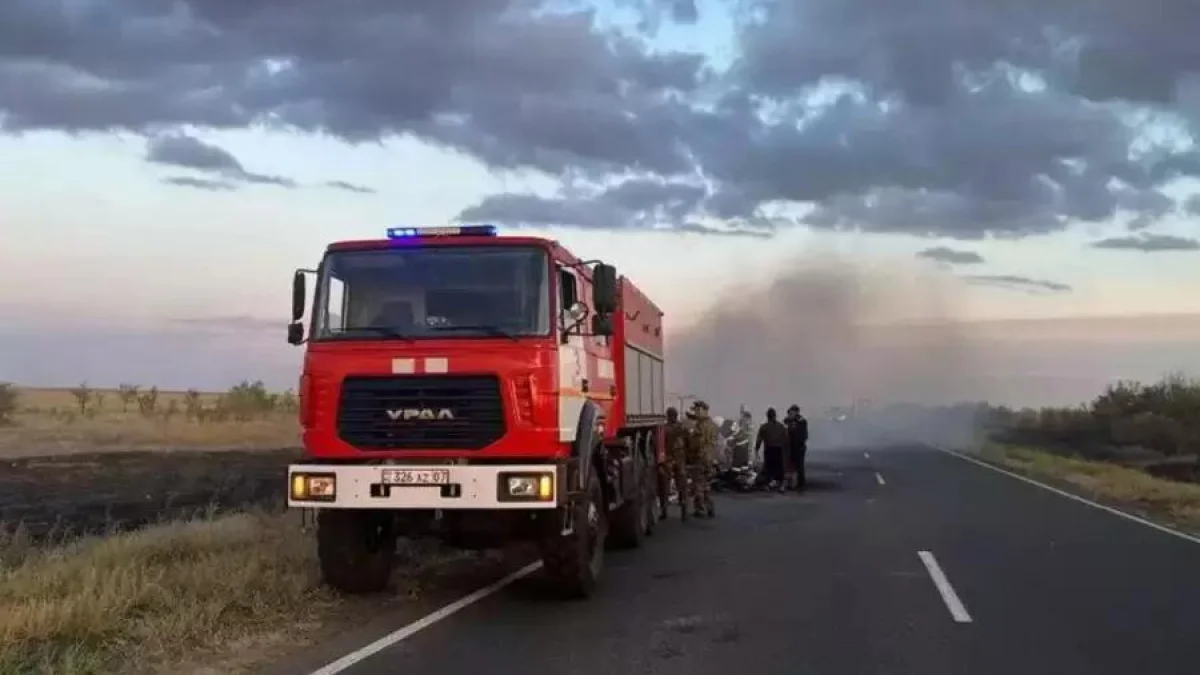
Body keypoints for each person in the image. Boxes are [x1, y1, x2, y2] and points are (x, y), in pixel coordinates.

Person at [687, 400, 719, 518]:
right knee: (706, 484)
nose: (696, 411)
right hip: (710, 458)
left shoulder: (700, 426)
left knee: (698, 484)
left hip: (701, 457)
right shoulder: (712, 425)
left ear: (703, 410)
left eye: (697, 409)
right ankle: (710, 507)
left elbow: (696, 443)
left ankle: (699, 509)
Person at [660, 406, 691, 521]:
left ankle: (664, 511)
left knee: (664, 486)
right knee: (682, 486)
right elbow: (689, 443)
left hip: (668, 460)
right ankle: (684, 511)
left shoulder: (664, 429)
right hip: (680, 459)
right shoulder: (683, 428)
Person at [755, 407, 789, 491]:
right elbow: (786, 439)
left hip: (769, 449)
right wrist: (786, 451)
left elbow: (759, 439)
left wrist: (756, 449)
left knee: (769, 468)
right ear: (775, 416)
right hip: (778, 450)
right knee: (779, 468)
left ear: (767, 416)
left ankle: (768, 484)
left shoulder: (764, 427)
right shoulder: (781, 426)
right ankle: (781, 485)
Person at [785, 404, 810, 491]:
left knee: (799, 465)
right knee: (791, 465)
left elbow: (803, 435)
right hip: (791, 446)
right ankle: (792, 483)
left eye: (792, 412)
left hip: (799, 447)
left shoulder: (801, 421)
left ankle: (801, 483)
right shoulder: (787, 420)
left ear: (796, 412)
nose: (790, 414)